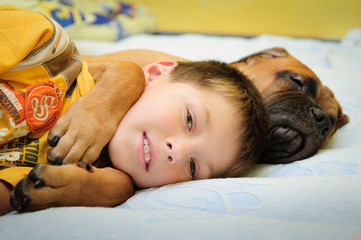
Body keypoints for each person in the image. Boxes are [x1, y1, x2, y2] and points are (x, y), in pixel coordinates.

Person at [0, 5, 269, 215]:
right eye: (189, 119)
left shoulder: (61, 172)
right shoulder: (48, 49)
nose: (178, 150)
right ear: (155, 72)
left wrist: (115, 187)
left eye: (193, 167)